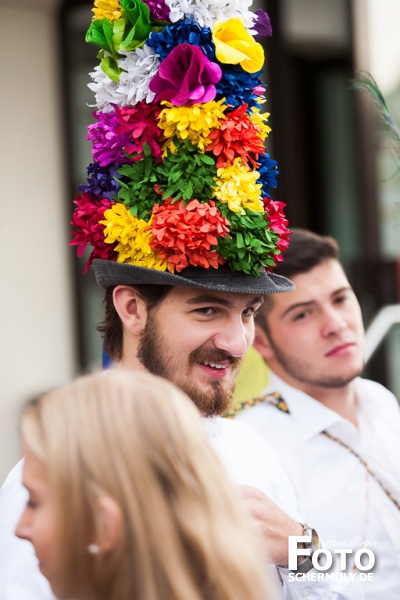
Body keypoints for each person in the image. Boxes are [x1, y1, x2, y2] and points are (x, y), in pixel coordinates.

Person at [0, 1, 362, 598]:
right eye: (206, 309)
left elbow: (366, 577)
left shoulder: (253, 450)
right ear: (131, 307)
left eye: (246, 313)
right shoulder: (55, 472)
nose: (236, 340)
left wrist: (308, 546)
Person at [233, 228, 400, 599]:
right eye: (303, 314)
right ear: (260, 341)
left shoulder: (381, 402)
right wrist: (303, 548)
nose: (336, 325)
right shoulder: (254, 448)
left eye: (341, 299)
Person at [15, 369, 272, 600]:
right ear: (131, 314)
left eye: (34, 503)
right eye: (205, 313)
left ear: (104, 524)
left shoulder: (252, 445)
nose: (19, 527)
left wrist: (304, 550)